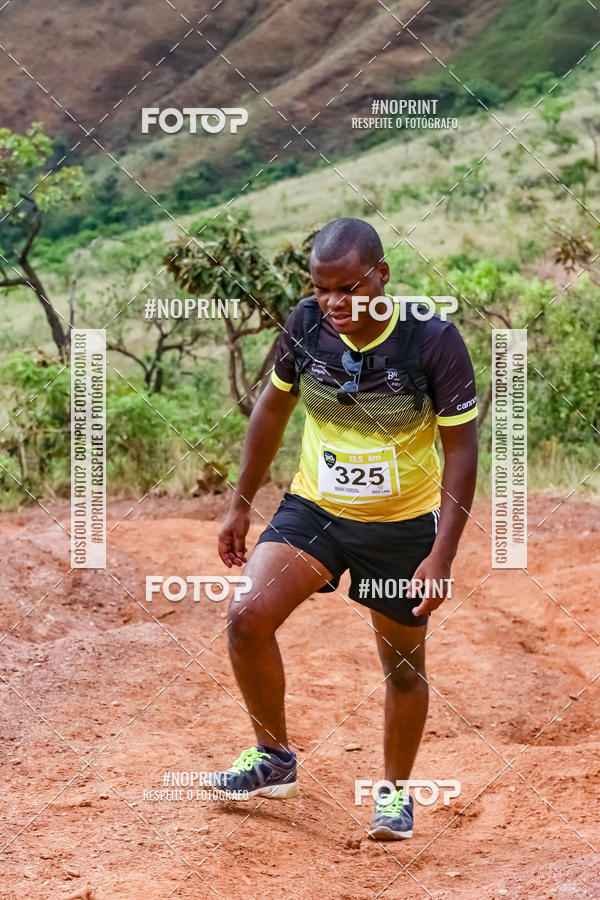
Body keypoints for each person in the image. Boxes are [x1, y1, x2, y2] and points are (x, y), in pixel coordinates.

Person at [216, 217, 478, 839]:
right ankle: (274, 758)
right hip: (316, 511)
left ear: (381, 275)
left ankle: (394, 794)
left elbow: (463, 451)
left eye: (348, 288)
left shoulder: (431, 340)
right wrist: (240, 503)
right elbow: (273, 409)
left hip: (400, 526)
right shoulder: (306, 325)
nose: (334, 303)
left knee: (403, 668)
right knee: (246, 616)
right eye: (321, 288)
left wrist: (441, 555)